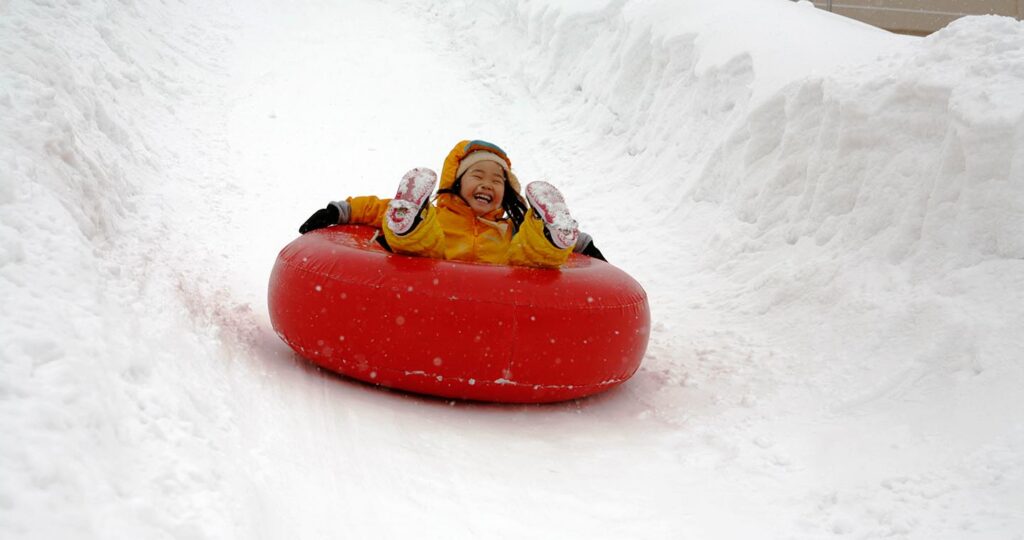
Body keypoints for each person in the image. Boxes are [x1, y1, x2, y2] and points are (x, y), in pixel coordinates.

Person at [298, 140, 606, 268]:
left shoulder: (508, 226)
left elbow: (530, 245)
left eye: (498, 181)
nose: (487, 184)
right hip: (434, 277)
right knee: (427, 243)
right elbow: (376, 208)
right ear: (457, 182)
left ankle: (552, 234)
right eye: (477, 175)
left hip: (498, 293)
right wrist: (340, 210)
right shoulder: (440, 214)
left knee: (527, 255)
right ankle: (410, 222)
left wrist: (584, 245)